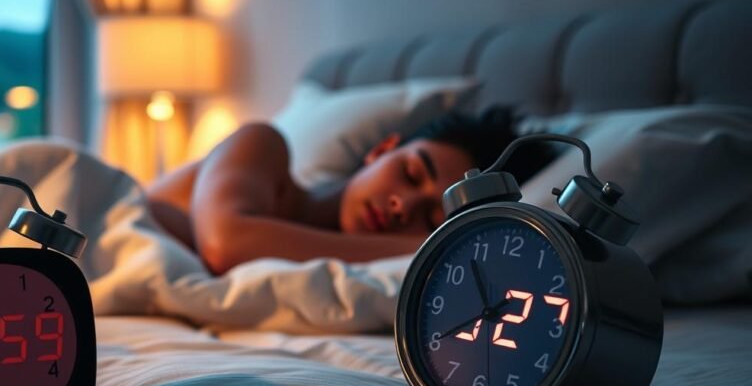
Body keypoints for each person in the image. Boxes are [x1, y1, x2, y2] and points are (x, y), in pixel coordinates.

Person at [147, 108, 551, 275]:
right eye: (410, 174)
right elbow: (224, 246)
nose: (402, 205)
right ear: (381, 150)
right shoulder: (262, 147)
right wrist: (429, 244)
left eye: (432, 219)